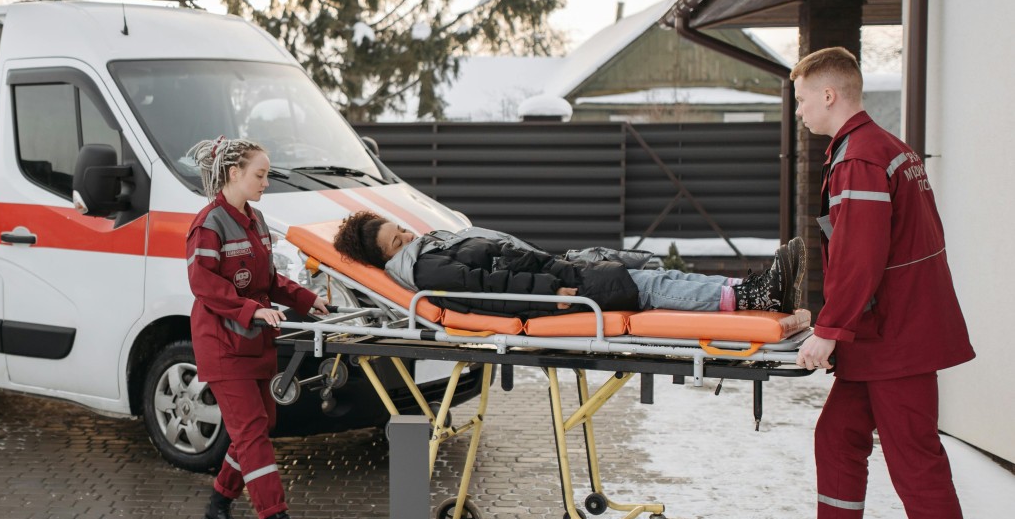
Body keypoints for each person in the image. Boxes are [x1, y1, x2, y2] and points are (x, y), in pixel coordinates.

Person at [767, 48, 983, 519]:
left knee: (917, 463)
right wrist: (836, 319)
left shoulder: (860, 158)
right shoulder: (884, 149)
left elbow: (862, 256)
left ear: (830, 95)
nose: (801, 110)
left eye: (803, 98)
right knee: (838, 436)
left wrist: (831, 332)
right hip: (886, 331)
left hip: (895, 338)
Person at [185, 135, 332, 519]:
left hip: (252, 342)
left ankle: (217, 509)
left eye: (266, 175)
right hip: (223, 345)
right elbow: (204, 284)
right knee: (251, 433)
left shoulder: (256, 220)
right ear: (234, 173)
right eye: (260, 174)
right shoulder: (208, 224)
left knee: (257, 426)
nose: (266, 182)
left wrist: (307, 299)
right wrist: (250, 310)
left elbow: (268, 279)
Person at [331, 210, 805, 318]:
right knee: (646, 287)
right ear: (386, 256)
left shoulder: (432, 245)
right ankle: (747, 298)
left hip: (557, 272)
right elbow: (484, 291)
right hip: (556, 292)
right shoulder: (423, 271)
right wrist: (548, 298)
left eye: (402, 230)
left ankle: (750, 287)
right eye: (397, 241)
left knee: (651, 274)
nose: (408, 236)